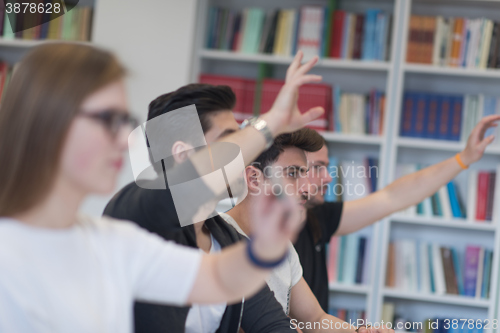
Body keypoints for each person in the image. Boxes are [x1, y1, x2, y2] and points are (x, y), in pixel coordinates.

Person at [0, 43, 324, 333]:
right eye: (107, 119)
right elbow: (183, 188)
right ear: (51, 123)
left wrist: (267, 246)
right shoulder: (131, 212)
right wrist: (271, 124)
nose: (123, 141)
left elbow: (219, 279)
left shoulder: (110, 240)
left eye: (125, 122)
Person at [104, 83, 297, 333]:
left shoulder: (228, 240)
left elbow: (273, 325)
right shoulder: (138, 213)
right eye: (231, 141)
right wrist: (271, 123)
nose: (247, 154)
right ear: (184, 155)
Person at [295, 115, 500, 312]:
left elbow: (393, 197)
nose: (328, 178)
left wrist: (464, 158)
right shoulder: (269, 235)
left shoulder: (318, 216)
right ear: (291, 170)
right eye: (318, 168)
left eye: (327, 168)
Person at [220, 128, 393, 333]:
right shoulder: (213, 238)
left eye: (304, 174)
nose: (307, 188)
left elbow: (315, 318)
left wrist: (358, 332)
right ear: (255, 179)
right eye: (293, 174)